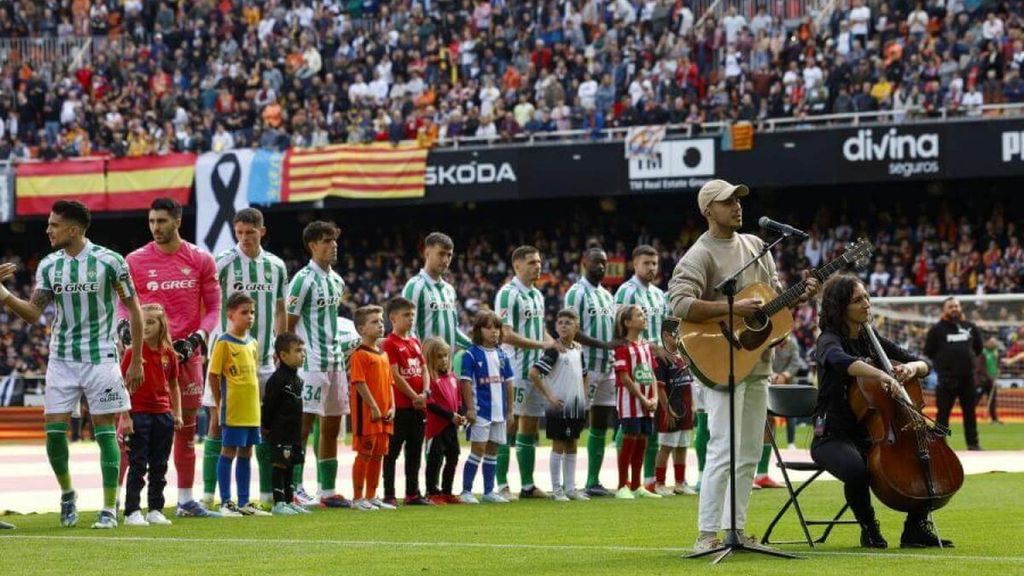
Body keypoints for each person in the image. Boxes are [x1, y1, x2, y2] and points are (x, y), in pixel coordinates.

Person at [667, 179, 819, 552]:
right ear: (708, 211)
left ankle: (736, 529)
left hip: (758, 360)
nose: (737, 206)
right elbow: (680, 304)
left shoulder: (756, 245)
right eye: (727, 202)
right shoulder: (699, 254)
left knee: (750, 449)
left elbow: (772, 302)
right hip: (720, 360)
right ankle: (707, 534)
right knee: (722, 447)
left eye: (738, 200)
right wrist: (730, 309)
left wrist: (799, 296)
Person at [0, 200, 144, 529]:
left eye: (54, 224)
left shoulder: (110, 261)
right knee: (53, 434)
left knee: (106, 432)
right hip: (62, 359)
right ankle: (68, 493)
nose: (48, 230)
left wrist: (135, 359)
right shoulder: (50, 266)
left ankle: (109, 507)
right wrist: (4, 294)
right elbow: (34, 313)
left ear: (74, 229)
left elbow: (134, 310)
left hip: (102, 357)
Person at [811, 274, 952, 549]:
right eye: (857, 300)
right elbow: (840, 361)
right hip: (832, 435)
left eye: (866, 297)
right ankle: (869, 527)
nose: (867, 304)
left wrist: (911, 369)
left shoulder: (870, 338)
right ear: (841, 307)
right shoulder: (828, 340)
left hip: (871, 433)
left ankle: (915, 528)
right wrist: (881, 374)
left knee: (920, 456)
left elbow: (924, 364)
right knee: (856, 470)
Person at [123, 197, 220, 518]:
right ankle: (115, 502)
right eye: (152, 222)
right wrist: (126, 328)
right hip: (143, 356)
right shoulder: (134, 260)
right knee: (132, 430)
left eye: (162, 221)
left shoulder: (200, 259)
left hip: (184, 355)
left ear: (178, 221)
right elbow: (124, 303)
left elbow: (215, 308)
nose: (156, 228)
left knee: (185, 429)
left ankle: (185, 500)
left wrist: (196, 339)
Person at [203, 208, 288, 510]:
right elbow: (209, 304)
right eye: (239, 232)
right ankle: (209, 495)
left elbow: (280, 310)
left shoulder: (276, 266)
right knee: (217, 422)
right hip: (229, 358)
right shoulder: (223, 263)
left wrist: (282, 348)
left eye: (250, 233)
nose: (244, 238)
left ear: (261, 231)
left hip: (263, 359)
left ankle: (264, 495)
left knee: (262, 425)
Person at [287, 221, 350, 508]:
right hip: (310, 364)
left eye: (334, 240)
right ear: (312, 245)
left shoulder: (337, 281)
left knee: (332, 426)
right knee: (303, 426)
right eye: (327, 241)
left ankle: (327, 490)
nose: (333, 245)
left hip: (336, 362)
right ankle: (294, 487)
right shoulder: (302, 280)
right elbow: (288, 326)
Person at [494, 245, 561, 499]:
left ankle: (527, 485)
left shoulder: (537, 295)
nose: (538, 266)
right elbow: (506, 334)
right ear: (517, 265)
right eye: (532, 262)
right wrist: (543, 344)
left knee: (530, 427)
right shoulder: (507, 294)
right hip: (514, 368)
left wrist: (554, 343)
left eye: (539, 261)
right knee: (509, 425)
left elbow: (539, 330)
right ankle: (500, 484)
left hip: (535, 370)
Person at [563, 247, 620, 497]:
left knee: (600, 423)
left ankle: (593, 480)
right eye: (597, 262)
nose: (601, 267)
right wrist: (603, 344)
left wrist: (617, 344)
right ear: (584, 262)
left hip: (607, 367)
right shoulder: (576, 293)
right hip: (584, 366)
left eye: (604, 263)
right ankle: (567, 483)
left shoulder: (607, 296)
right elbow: (570, 329)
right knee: (575, 423)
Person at [208, 293, 269, 517]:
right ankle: (226, 502)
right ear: (231, 314)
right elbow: (213, 375)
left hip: (252, 408)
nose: (249, 317)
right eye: (244, 312)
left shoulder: (253, 343)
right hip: (232, 407)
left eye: (252, 312)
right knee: (229, 450)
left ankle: (244, 502)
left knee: (247, 451)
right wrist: (218, 402)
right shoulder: (224, 342)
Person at [121, 304, 182, 527]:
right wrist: (125, 417)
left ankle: (155, 509)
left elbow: (174, 384)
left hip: (163, 415)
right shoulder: (132, 353)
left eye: (150, 322)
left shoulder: (169, 353)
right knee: (137, 464)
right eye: (142, 322)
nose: (145, 327)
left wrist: (177, 413)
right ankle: (132, 511)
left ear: (161, 325)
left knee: (160, 465)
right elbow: (121, 386)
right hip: (139, 414)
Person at [615, 245, 669, 492]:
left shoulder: (660, 294)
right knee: (629, 426)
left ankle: (645, 481)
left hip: (653, 362)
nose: (652, 268)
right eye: (647, 263)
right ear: (635, 264)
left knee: (649, 427)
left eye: (655, 264)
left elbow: (667, 326)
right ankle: (622, 483)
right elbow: (618, 327)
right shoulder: (626, 291)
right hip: (632, 362)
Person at [529, 309, 589, 502]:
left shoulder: (578, 350)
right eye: (560, 322)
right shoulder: (554, 350)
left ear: (576, 327)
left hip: (576, 405)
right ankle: (557, 489)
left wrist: (584, 397)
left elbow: (585, 375)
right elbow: (534, 373)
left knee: (572, 444)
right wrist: (550, 396)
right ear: (556, 327)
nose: (563, 325)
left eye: (568, 323)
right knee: (558, 445)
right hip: (559, 406)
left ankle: (570, 488)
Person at [459, 311, 515, 504]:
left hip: (499, 411)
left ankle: (489, 491)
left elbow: (509, 383)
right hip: (480, 410)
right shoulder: (471, 354)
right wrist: (470, 408)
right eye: (488, 328)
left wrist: (510, 410)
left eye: (497, 328)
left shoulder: (503, 354)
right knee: (478, 449)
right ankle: (466, 491)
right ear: (478, 330)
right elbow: (465, 382)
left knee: (493, 449)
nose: (494, 332)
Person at [382, 296, 432, 506]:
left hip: (418, 406)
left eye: (412, 315)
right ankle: (389, 494)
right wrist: (414, 396)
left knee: (414, 451)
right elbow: (394, 375)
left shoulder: (415, 342)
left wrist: (426, 392)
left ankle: (412, 493)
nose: (411, 319)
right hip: (401, 406)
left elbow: (424, 369)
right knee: (392, 451)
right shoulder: (389, 343)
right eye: (406, 315)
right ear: (393, 318)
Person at [349, 305, 396, 511]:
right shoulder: (359, 354)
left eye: (381, 321)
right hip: (368, 415)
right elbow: (359, 383)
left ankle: (372, 495)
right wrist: (374, 407)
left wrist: (392, 406)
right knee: (365, 454)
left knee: (378, 455)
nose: (380, 325)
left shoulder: (383, 355)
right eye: (374, 322)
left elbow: (390, 383)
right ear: (362, 329)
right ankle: (358, 498)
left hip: (385, 415)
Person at [613, 305, 661, 500]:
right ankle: (621, 485)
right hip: (630, 402)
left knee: (642, 441)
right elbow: (624, 377)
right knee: (630, 439)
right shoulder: (622, 347)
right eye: (639, 315)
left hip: (648, 402)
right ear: (627, 323)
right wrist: (642, 398)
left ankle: (636, 484)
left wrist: (655, 398)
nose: (644, 317)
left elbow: (652, 374)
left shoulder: (646, 347)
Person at [261, 332, 311, 516]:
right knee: (280, 465)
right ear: (283, 355)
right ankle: (278, 502)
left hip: (294, 432)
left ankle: (290, 500)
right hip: (280, 432)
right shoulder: (277, 380)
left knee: (291, 464)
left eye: (303, 351)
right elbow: (269, 406)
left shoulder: (297, 379)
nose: (302, 354)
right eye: (297, 351)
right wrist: (266, 426)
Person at [924, 298, 984, 451]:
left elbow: (978, 348)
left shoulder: (970, 327)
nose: (954, 309)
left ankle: (973, 444)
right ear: (945, 310)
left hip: (968, 378)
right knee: (943, 414)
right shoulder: (937, 329)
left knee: (970, 413)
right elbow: (928, 352)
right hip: (946, 379)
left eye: (956, 306)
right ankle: (939, 446)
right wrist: (945, 365)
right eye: (950, 306)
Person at [402, 232, 473, 353]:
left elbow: (453, 331)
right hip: (424, 368)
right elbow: (407, 331)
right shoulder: (415, 286)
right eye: (441, 254)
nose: (446, 260)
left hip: (447, 369)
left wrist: (477, 347)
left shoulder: (449, 290)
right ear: (427, 253)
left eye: (449, 255)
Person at [754, 333, 807, 488]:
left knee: (771, 422)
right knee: (752, 424)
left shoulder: (792, 343)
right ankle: (747, 474)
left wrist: (784, 375)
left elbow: (795, 362)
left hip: (784, 383)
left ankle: (762, 474)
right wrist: (772, 375)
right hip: (763, 380)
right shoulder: (766, 338)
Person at [653, 317, 696, 497]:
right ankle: (659, 483)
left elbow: (689, 383)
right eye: (676, 334)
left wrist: (692, 406)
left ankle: (680, 483)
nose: (679, 337)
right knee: (666, 446)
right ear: (665, 335)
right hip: (669, 408)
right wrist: (667, 409)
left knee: (682, 446)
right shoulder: (661, 358)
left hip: (685, 407)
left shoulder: (683, 356)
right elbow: (660, 387)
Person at [423, 337, 466, 504]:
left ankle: (447, 491)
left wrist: (460, 414)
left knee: (453, 455)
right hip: (436, 426)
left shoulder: (453, 377)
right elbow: (430, 404)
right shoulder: (430, 379)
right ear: (430, 358)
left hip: (451, 426)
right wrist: (450, 416)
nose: (444, 360)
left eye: (446, 356)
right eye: (439, 356)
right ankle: (432, 491)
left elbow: (459, 400)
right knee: (435, 458)